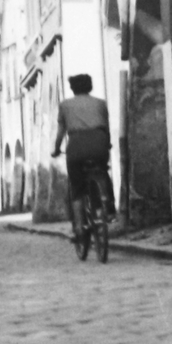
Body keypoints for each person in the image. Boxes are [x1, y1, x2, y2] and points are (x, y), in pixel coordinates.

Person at [52, 73, 114, 239]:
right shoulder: (101, 103)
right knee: (102, 172)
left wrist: (56, 149)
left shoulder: (65, 105)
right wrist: (107, 144)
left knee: (77, 188)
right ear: (90, 86)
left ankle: (79, 228)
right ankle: (107, 208)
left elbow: (60, 132)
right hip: (99, 142)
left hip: (77, 146)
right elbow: (106, 128)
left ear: (72, 88)